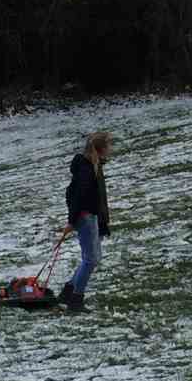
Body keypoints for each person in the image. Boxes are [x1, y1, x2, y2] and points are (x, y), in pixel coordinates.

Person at [58, 131, 113, 313]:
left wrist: (102, 222)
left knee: (92, 258)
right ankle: (75, 300)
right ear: (100, 148)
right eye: (108, 145)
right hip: (85, 217)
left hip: (92, 216)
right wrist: (72, 221)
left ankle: (68, 292)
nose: (110, 149)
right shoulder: (86, 169)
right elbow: (77, 197)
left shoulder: (94, 165)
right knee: (90, 259)